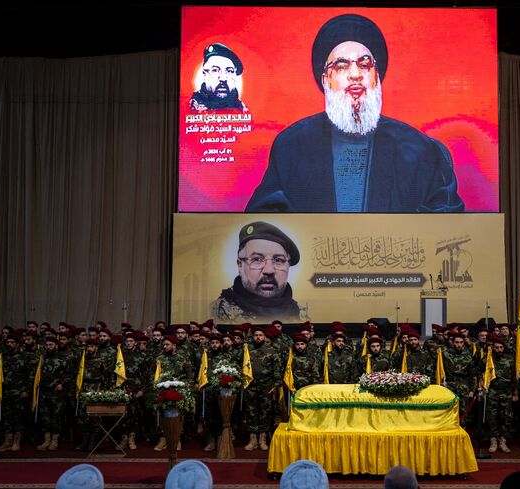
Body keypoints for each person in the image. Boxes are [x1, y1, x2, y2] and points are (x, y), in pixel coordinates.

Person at [245, 13, 464, 213]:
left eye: (365, 64)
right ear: (325, 79)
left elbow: (446, 231)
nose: (355, 74)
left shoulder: (422, 152)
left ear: (376, 77)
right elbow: (265, 226)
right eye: (341, 65)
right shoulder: (292, 146)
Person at [211, 221, 302, 322]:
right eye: (257, 259)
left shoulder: (302, 315)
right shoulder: (216, 313)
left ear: (288, 265)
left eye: (278, 260)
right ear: (240, 265)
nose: (269, 270)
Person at [189, 43, 247, 112]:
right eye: (215, 70)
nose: (223, 78)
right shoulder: (189, 110)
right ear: (204, 74)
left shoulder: (243, 112)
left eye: (229, 71)